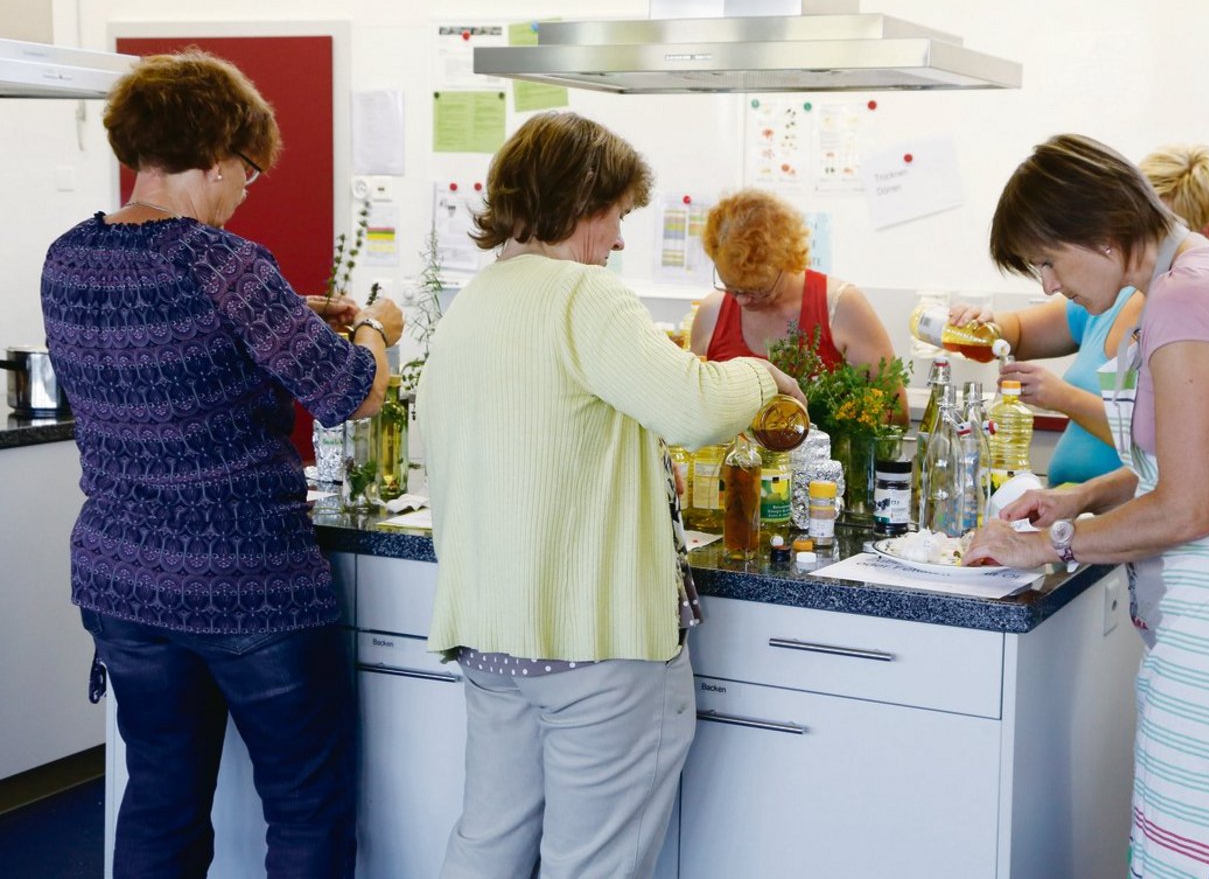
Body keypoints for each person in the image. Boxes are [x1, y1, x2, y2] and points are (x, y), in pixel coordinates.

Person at [41, 49, 403, 877]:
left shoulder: (69, 256)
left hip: (123, 579)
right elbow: (351, 391)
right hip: (246, 582)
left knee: (161, 797)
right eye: (247, 170)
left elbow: (159, 343)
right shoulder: (221, 261)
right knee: (306, 805)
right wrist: (378, 325)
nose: (246, 188)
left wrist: (294, 312)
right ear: (215, 155)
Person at [418, 111, 804, 879]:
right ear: (584, 200)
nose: (622, 239)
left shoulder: (472, 305)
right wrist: (764, 377)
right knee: (593, 865)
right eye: (620, 214)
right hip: (596, 646)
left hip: (494, 637)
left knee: (486, 846)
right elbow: (692, 407)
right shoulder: (586, 297)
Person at [964, 134, 1209, 878]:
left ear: (1101, 233)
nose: (1046, 286)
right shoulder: (1197, 276)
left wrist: (1049, 543)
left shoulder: (1188, 297)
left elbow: (1186, 509)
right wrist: (1082, 493)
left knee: (1204, 859)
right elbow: (1189, 464)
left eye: (1047, 260)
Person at [947, 143, 1209, 485]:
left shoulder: (1191, 311)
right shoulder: (1106, 297)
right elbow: (1018, 333)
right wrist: (981, 325)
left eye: (1157, 229)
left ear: (1205, 231)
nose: (1138, 239)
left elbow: (1167, 456)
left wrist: (1062, 397)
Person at [689, 188, 909, 425]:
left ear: (787, 260)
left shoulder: (841, 306)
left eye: (756, 290)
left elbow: (895, 414)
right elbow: (692, 408)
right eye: (731, 288)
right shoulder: (711, 313)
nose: (741, 301)